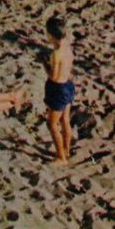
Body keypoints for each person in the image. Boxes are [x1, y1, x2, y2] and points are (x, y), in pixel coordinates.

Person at [44, 15, 76, 164]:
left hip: (58, 89)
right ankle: (67, 150)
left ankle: (61, 157)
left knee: (51, 124)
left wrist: (45, 65)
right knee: (65, 120)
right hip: (68, 85)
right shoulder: (67, 46)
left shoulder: (56, 53)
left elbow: (55, 77)